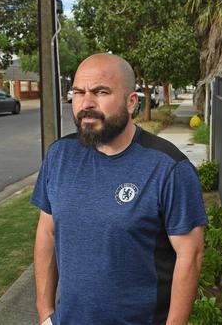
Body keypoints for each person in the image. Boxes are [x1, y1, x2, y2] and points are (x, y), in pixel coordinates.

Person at [31, 53, 208, 325]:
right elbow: (47, 231)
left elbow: (191, 255)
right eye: (78, 92)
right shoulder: (59, 156)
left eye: (101, 91)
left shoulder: (168, 168)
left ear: (131, 102)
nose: (86, 103)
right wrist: (45, 313)